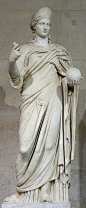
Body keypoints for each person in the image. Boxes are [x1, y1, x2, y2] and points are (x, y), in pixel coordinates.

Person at [4, 7, 80, 203]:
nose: (45, 27)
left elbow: (67, 77)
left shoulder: (58, 52)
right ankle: (21, 191)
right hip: (31, 100)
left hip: (53, 101)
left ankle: (45, 190)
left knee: (49, 146)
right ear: (34, 25)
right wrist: (12, 62)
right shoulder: (26, 50)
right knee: (24, 146)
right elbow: (17, 78)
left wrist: (72, 80)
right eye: (42, 23)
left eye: (48, 24)